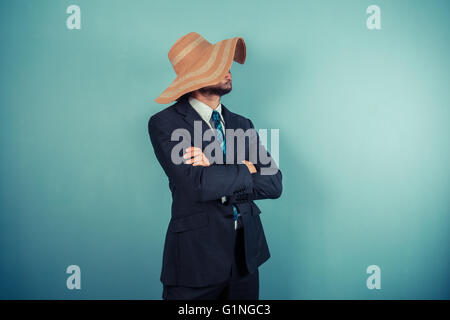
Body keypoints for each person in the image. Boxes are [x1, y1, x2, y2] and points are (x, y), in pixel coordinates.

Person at [148, 32, 282, 300]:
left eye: (228, 65)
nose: (228, 71)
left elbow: (274, 183)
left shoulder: (243, 124)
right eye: (218, 66)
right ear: (195, 77)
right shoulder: (166, 123)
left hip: (246, 259)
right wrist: (247, 167)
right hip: (195, 263)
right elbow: (197, 185)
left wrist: (215, 168)